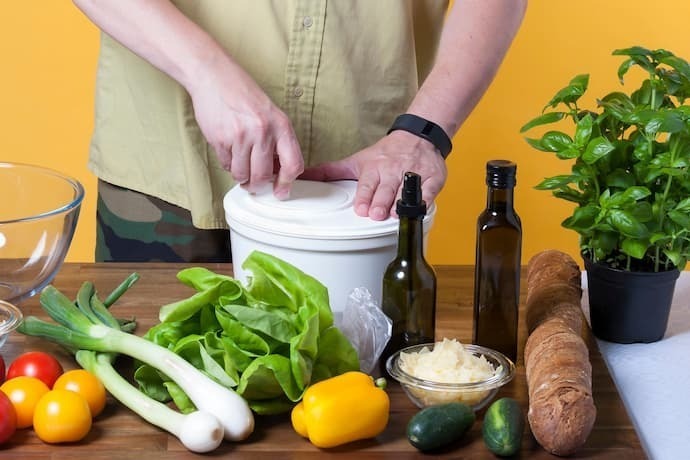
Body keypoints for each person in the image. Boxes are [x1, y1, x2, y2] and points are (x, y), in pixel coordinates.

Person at [73, 0, 527, 262]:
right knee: (136, 405)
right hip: (164, 173)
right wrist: (204, 69)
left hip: (360, 199)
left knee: (359, 410)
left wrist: (423, 132)